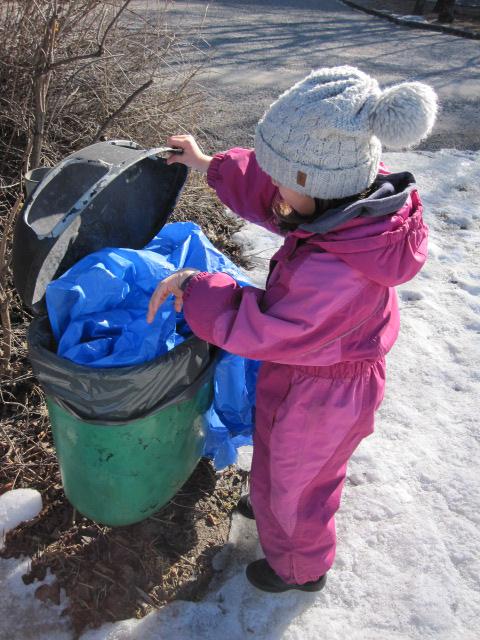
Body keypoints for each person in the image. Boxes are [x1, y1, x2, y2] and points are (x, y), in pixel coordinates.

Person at [147, 66, 438, 593]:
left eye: (282, 177)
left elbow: (265, 325)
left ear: (315, 185)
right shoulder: (347, 198)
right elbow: (275, 191)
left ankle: (301, 568)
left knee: (301, 486)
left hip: (325, 392)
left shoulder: (338, 271)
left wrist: (194, 288)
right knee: (281, 458)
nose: (273, 186)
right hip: (310, 372)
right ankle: (272, 506)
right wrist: (207, 163)